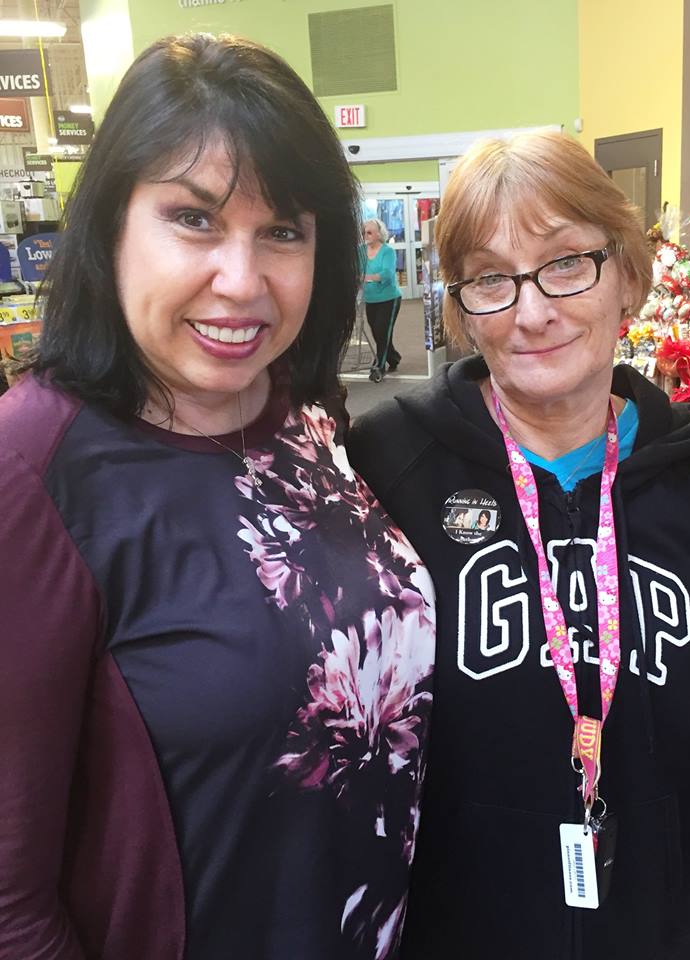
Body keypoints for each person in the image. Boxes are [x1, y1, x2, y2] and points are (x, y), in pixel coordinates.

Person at [0, 34, 435, 960]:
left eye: (283, 231)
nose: (242, 282)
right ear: (110, 226)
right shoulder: (32, 466)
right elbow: (10, 903)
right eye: (193, 218)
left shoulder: (303, 414)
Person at [348, 131, 690, 960]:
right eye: (491, 278)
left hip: (657, 925)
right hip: (462, 931)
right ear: (461, 308)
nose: (531, 312)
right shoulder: (389, 463)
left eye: (564, 263)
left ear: (626, 273)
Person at [361, 218, 402, 374]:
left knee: (382, 330)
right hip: (370, 298)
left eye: (369, 232)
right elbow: (356, 269)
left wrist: (366, 277)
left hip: (389, 298)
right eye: (364, 233)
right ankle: (393, 357)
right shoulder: (361, 251)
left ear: (379, 234)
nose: (366, 235)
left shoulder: (387, 251)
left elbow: (387, 274)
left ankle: (379, 365)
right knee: (378, 332)